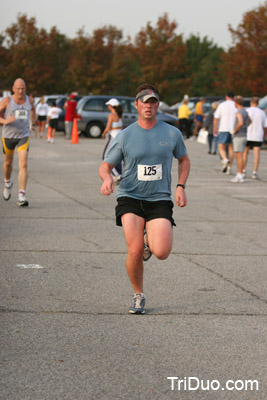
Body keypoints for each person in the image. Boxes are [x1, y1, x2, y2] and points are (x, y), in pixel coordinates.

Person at [99, 83, 190, 314]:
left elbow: (184, 160)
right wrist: (107, 179)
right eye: (144, 102)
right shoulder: (125, 135)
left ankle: (150, 241)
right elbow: (106, 165)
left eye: (153, 102)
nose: (148, 106)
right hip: (130, 196)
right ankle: (138, 295)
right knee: (135, 250)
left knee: (161, 252)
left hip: (159, 199)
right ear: (136, 104)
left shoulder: (171, 133)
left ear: (157, 105)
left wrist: (180, 186)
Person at [0, 78, 36, 206]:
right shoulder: (7, 101)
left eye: (23, 88)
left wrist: (33, 122)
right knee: (8, 163)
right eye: (18, 88)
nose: (21, 91)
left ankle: (21, 195)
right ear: (13, 89)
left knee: (24, 164)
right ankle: (8, 182)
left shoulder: (29, 100)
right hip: (8, 136)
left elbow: (32, 110)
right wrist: (5, 121)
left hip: (23, 135)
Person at [243, 97, 267, 179]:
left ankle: (243, 170)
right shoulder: (262, 112)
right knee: (256, 154)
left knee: (245, 153)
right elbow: (265, 125)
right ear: (258, 103)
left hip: (247, 134)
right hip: (258, 135)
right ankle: (254, 172)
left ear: (250, 103)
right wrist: (263, 134)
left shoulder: (247, 111)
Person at [213, 92, 237, 175]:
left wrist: (215, 128)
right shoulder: (236, 105)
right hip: (234, 129)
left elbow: (216, 118)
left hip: (223, 128)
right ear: (233, 97)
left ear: (226, 97)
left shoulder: (222, 105)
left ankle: (225, 159)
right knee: (231, 148)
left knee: (221, 147)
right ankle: (229, 168)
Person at [231, 96, 251, 183]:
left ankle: (239, 174)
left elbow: (240, 122)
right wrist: (245, 128)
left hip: (239, 135)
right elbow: (250, 121)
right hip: (244, 135)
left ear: (236, 103)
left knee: (238, 156)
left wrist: (235, 130)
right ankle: (241, 173)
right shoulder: (245, 111)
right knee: (242, 155)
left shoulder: (239, 112)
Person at [102, 98, 123, 180]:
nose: (108, 107)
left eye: (109, 105)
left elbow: (108, 128)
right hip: (120, 137)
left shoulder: (111, 115)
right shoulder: (120, 115)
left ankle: (116, 174)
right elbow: (121, 127)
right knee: (117, 157)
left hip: (113, 137)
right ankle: (120, 174)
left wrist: (103, 134)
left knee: (105, 156)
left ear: (111, 106)